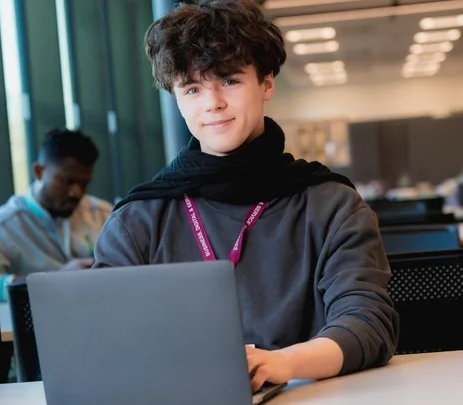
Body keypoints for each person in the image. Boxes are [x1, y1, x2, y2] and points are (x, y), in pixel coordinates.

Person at [93, 0, 398, 392]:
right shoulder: (138, 220)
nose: (212, 103)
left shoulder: (331, 205)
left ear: (266, 82)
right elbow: (103, 340)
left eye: (230, 81)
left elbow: (369, 322)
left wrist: (283, 363)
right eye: (192, 88)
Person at [0, 129, 112, 302]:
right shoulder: (5, 226)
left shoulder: (104, 215)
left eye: (84, 184)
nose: (77, 193)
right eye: (67, 181)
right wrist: (53, 280)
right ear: (39, 172)